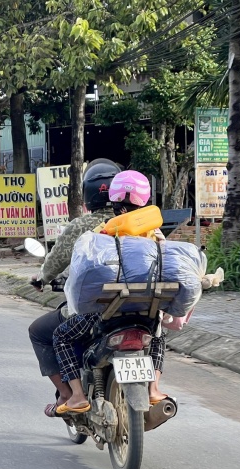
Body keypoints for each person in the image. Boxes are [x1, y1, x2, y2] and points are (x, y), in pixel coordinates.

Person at [50, 170, 168, 415]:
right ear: (144, 201)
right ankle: (154, 389)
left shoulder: (102, 232)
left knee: (61, 336)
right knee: (158, 333)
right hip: (146, 310)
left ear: (113, 202)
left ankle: (77, 397)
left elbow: (83, 271)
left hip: (107, 312)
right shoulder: (156, 235)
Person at [28, 159, 122, 416]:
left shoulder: (80, 226)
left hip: (93, 311)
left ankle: (70, 395)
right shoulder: (141, 224)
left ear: (88, 196)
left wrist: (42, 278)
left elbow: (55, 262)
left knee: (40, 332)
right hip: (137, 307)